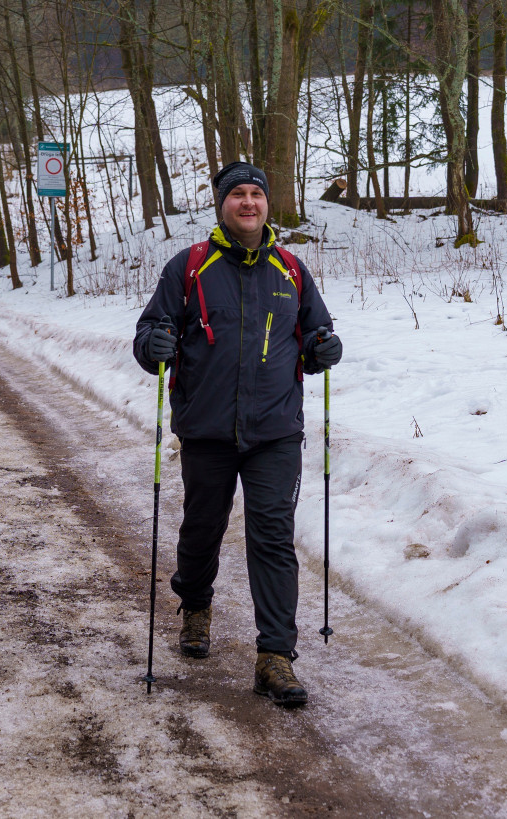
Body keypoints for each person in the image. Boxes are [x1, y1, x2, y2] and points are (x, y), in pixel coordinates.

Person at [133, 162, 342, 707]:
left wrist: (324, 347)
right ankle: (196, 604)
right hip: (206, 428)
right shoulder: (190, 267)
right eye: (237, 195)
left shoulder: (291, 270)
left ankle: (275, 656)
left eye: (256, 194)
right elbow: (151, 330)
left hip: (275, 430)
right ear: (222, 205)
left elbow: (318, 328)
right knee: (203, 526)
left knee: (272, 536)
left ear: (267, 204)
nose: (248, 203)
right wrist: (153, 343)